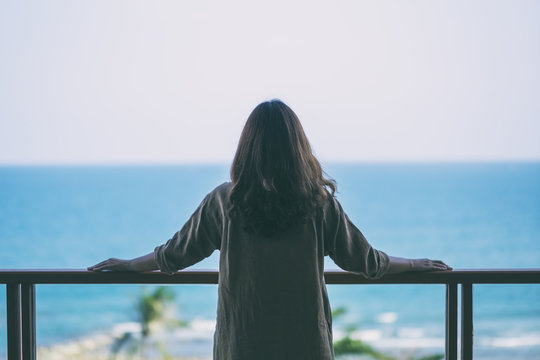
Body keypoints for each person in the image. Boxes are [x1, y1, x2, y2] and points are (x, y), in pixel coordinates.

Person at [89, 99, 451, 360]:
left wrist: (128, 265)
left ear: (248, 147)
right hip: (306, 346)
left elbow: (173, 255)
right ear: (298, 147)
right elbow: (365, 261)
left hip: (242, 346)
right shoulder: (318, 204)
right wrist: (415, 264)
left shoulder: (225, 202)